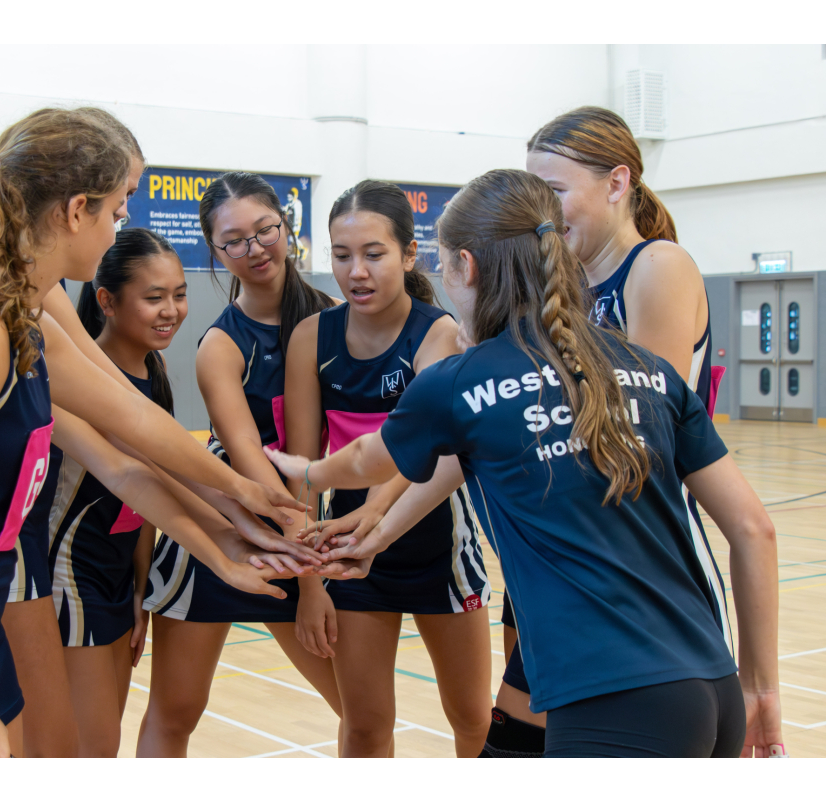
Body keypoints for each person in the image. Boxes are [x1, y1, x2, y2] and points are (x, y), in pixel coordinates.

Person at [0, 107, 310, 758]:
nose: (115, 233)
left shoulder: (23, 321)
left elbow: (132, 425)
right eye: (115, 214)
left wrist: (239, 515)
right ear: (75, 211)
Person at [268, 168, 782, 758]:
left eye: (440, 263)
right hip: (712, 684)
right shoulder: (646, 370)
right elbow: (753, 528)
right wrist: (761, 687)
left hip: (613, 701)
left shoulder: (460, 381)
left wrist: (306, 472)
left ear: (467, 267)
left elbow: (367, 458)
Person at [461, 106, 728, 754]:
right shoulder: (572, 286)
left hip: (632, 566)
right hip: (561, 556)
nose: (538, 209)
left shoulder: (657, 265)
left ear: (616, 182)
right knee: (522, 736)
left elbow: (640, 441)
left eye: (551, 191)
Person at [137, 171, 344, 757]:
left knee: (359, 704)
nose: (255, 249)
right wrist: (311, 584)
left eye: (264, 230)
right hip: (220, 526)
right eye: (234, 240)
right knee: (176, 713)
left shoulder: (336, 319)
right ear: (215, 252)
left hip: (302, 535)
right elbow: (257, 474)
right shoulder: (220, 346)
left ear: (287, 227)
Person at [281, 180, 491, 758]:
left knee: (474, 719)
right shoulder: (312, 338)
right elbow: (303, 474)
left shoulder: (440, 333)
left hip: (437, 543)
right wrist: (308, 584)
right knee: (366, 723)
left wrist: (378, 513)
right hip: (349, 555)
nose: (357, 272)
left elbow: (421, 446)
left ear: (408, 254)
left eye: (374, 254)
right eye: (342, 255)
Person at [46, 228, 186, 756]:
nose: (170, 309)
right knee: (94, 751)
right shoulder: (83, 381)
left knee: (102, 743)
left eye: (178, 293)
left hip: (115, 581)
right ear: (106, 300)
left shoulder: (156, 370)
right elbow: (130, 478)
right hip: (70, 576)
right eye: (153, 297)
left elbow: (145, 501)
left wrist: (139, 589)